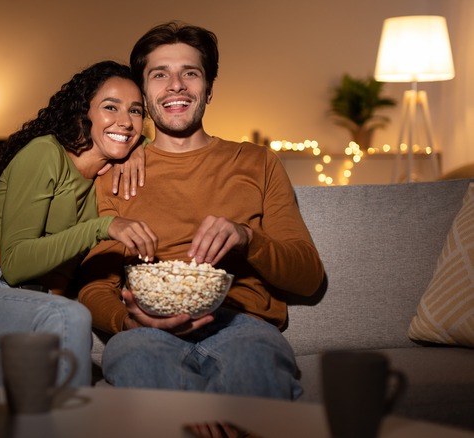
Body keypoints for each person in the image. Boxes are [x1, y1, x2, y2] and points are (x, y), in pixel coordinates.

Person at [76, 22, 325, 399]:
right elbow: (95, 285)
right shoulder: (114, 174)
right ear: (144, 92)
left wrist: (247, 238)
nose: (175, 85)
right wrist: (127, 323)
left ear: (208, 90)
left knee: (258, 378)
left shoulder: (257, 162)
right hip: (147, 331)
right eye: (160, 74)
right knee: (138, 369)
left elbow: (308, 277)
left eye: (189, 73)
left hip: (243, 326)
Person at [0, 60, 158, 387]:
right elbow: (14, 265)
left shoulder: (106, 178)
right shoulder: (45, 154)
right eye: (111, 107)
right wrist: (104, 226)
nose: (125, 121)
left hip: (29, 315)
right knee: (68, 316)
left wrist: (141, 146)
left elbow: (158, 146)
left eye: (136, 112)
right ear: (82, 112)